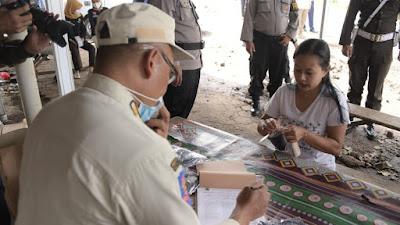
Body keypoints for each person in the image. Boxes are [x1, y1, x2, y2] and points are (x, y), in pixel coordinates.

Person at [16, 3, 270, 225]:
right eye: (170, 70)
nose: (167, 83)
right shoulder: (144, 154)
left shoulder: (49, 113)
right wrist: (242, 215)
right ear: (150, 62)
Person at [257, 39, 350, 170]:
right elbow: (261, 125)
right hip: (283, 160)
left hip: (318, 168)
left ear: (325, 71)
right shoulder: (284, 92)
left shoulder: (334, 101)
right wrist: (266, 125)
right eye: (298, 70)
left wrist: (305, 134)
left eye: (309, 73)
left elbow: (336, 148)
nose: (302, 78)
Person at [339, 0, 400, 140]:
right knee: (355, 84)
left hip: (384, 47)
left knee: (376, 89)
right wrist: (346, 42)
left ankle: (370, 122)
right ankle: (352, 118)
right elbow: (350, 16)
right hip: (361, 44)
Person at [240, 0, 299, 117]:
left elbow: (295, 15)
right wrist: (248, 40)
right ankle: (255, 101)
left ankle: (273, 103)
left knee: (278, 71)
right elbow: (249, 14)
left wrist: (289, 35)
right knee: (258, 70)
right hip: (260, 39)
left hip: (280, 41)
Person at [149, 0, 204, 119]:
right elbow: (161, 30)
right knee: (172, 111)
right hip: (179, 63)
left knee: (182, 113)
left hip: (192, 61)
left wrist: (199, 57)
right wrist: (174, 62)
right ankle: (164, 137)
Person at [65, 0, 96, 79]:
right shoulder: (65, 17)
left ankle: (91, 68)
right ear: (71, 7)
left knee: (91, 48)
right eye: (76, 8)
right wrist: (72, 40)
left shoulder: (79, 16)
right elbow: (67, 31)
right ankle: (77, 70)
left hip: (79, 38)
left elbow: (83, 28)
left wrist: (82, 37)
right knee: (74, 51)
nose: (78, 10)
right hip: (70, 40)